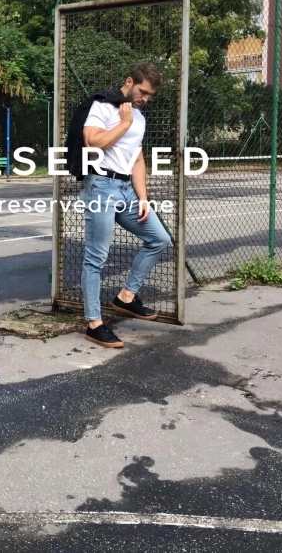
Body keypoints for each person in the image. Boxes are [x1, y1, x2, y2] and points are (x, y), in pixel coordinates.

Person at [80, 62, 171, 348]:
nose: (145, 99)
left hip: (127, 191)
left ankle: (126, 297)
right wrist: (124, 123)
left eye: (150, 95)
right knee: (96, 257)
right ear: (129, 82)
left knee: (159, 238)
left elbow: (137, 159)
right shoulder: (103, 106)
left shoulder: (139, 117)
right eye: (143, 92)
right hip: (101, 187)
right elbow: (92, 142)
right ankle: (94, 324)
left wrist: (143, 198)